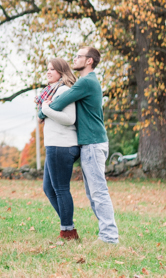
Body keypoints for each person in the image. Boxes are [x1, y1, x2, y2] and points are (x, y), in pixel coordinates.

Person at [47, 46, 119, 244]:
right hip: (91, 143)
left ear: (89, 61)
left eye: (79, 56)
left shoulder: (86, 82)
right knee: (93, 192)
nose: (75, 59)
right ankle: (106, 234)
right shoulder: (86, 82)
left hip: (93, 143)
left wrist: (43, 108)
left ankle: (109, 237)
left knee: (98, 191)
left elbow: (56, 105)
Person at [36, 58, 80, 241]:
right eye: (47, 69)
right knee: (49, 188)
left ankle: (68, 231)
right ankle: (68, 227)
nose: (48, 72)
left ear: (62, 72)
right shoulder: (52, 91)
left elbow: (69, 119)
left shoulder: (63, 90)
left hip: (62, 145)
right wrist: (44, 108)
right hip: (54, 145)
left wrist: (46, 110)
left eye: (52, 69)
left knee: (61, 189)